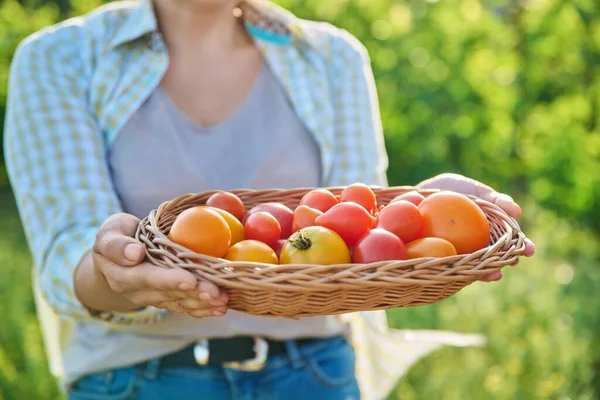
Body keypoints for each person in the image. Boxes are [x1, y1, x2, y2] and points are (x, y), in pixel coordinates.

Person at [4, 0, 535, 399]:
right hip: (139, 380)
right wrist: (119, 273)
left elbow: (356, 227)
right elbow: (66, 258)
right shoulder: (59, 59)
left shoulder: (331, 58)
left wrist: (424, 212)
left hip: (316, 374)